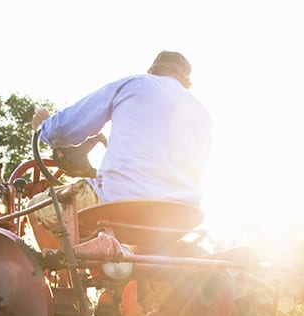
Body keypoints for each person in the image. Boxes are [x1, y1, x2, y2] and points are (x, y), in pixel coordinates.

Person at [28, 51, 212, 230]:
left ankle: (59, 261)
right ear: (186, 82)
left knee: (36, 208)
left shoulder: (137, 84)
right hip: (182, 214)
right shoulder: (203, 113)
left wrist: (43, 125)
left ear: (153, 70)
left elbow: (62, 129)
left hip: (120, 200)